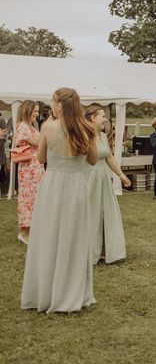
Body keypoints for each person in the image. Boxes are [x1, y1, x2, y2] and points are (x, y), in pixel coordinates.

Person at [21, 87, 98, 313]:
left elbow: (41, 157)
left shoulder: (48, 127)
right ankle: (72, 291)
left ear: (60, 105)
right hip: (76, 186)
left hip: (53, 185)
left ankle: (46, 291)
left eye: (52, 102)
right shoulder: (87, 129)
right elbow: (93, 160)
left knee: (50, 235)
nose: (50, 106)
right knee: (73, 237)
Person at [85, 106, 131, 264]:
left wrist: (121, 175)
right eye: (102, 116)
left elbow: (109, 158)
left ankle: (106, 249)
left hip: (103, 178)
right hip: (88, 178)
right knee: (91, 214)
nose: (105, 119)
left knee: (106, 212)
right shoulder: (83, 135)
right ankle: (87, 252)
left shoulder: (103, 136)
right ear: (92, 118)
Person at [15, 100, 45, 245]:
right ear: (27, 111)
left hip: (35, 168)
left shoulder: (31, 126)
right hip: (28, 170)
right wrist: (41, 138)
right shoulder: (22, 126)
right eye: (35, 111)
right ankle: (24, 233)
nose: (37, 114)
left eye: (38, 111)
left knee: (34, 198)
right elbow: (38, 142)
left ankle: (32, 231)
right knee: (27, 199)